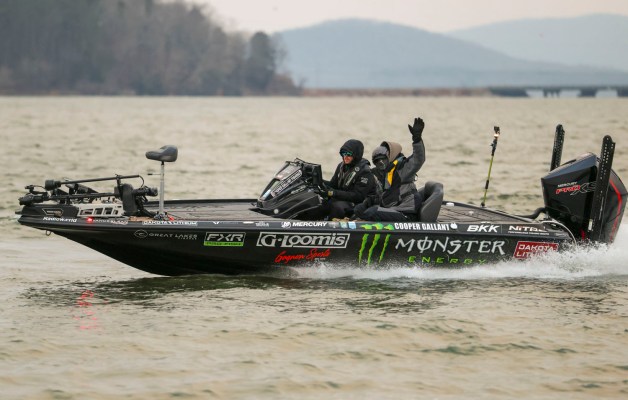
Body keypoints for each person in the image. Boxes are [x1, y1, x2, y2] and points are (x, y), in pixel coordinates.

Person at [353, 117, 427, 221]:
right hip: (394, 210)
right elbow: (383, 197)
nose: (381, 164)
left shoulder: (403, 168)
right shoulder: (384, 175)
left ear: (391, 156)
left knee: (373, 211)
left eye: (383, 160)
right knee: (359, 209)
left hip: (406, 213)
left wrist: (417, 139)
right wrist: (367, 203)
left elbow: (419, 159)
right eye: (377, 162)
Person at [324, 139, 377, 219]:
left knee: (336, 206)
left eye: (348, 154)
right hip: (345, 200)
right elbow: (333, 185)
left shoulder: (365, 172)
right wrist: (318, 181)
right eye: (343, 153)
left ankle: (330, 224)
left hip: (360, 205)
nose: (345, 157)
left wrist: (332, 193)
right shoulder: (341, 166)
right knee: (320, 201)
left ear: (356, 155)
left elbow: (358, 196)